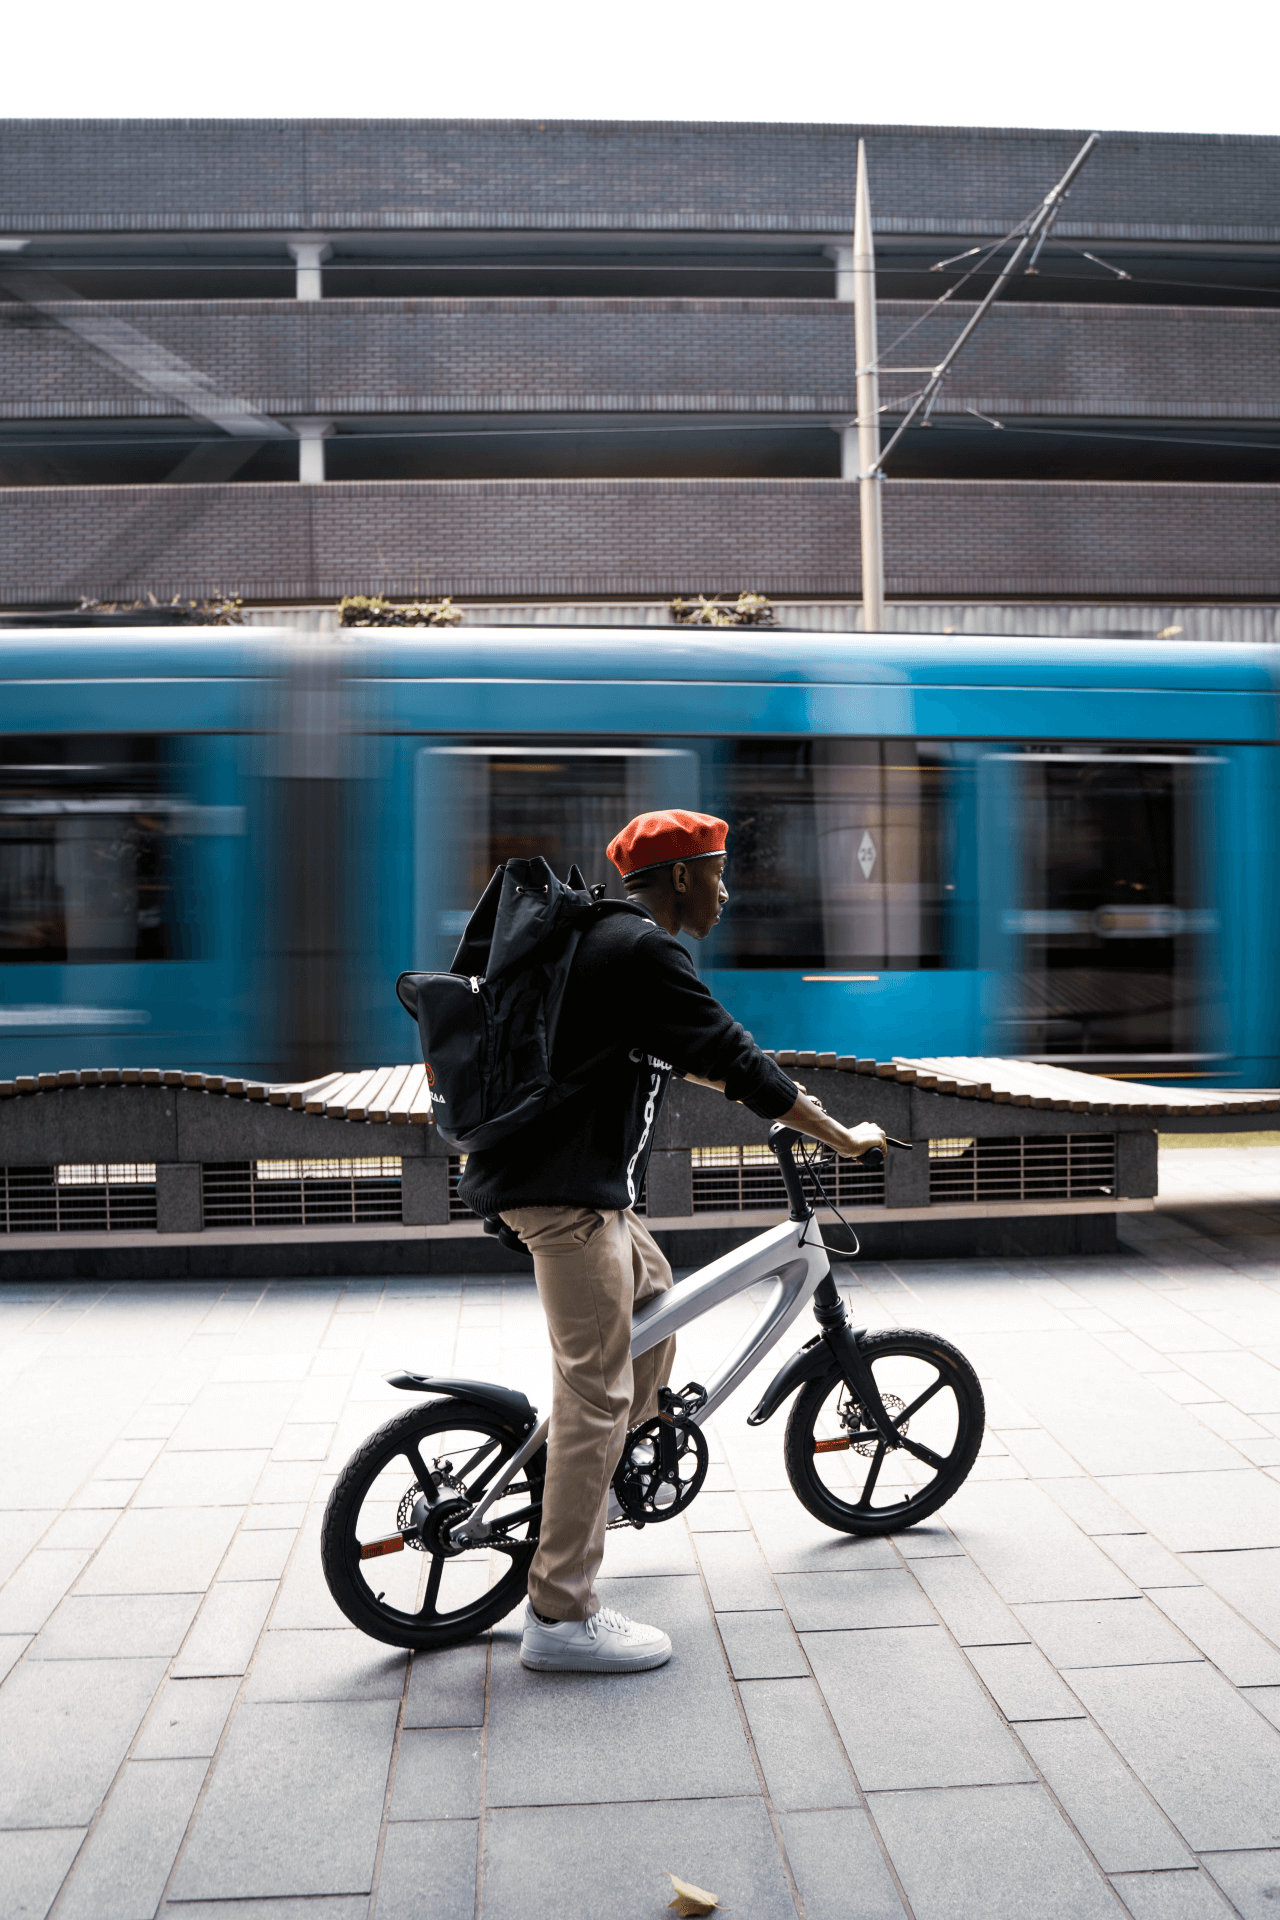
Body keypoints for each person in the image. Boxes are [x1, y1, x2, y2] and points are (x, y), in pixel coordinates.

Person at [458, 809, 885, 1673]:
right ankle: (561, 1615)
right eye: (719, 874)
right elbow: (735, 1054)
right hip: (564, 1199)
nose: (727, 891)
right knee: (596, 1394)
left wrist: (728, 1079)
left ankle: (605, 1486)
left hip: (577, 1189)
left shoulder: (601, 943)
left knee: (656, 1301)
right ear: (684, 876)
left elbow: (668, 1047)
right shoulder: (644, 950)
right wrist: (840, 1136)